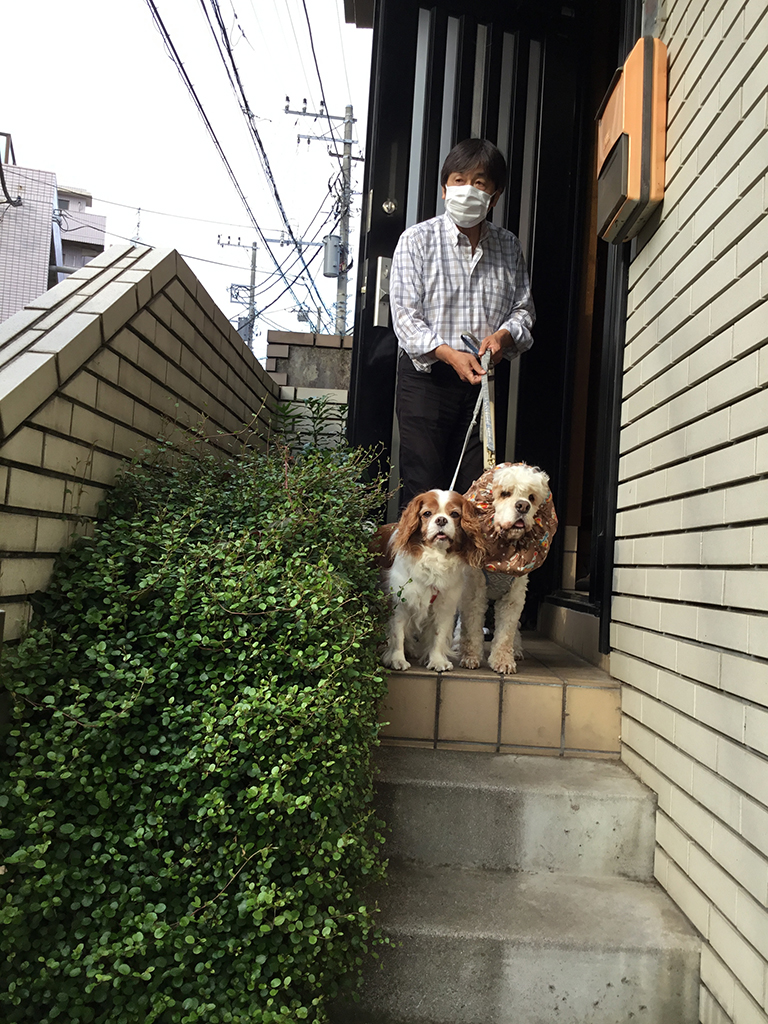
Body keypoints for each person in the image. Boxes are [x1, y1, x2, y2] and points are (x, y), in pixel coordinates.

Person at [389, 138, 535, 508]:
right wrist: (448, 353)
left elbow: (523, 311)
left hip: (481, 385)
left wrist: (503, 337)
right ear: (443, 189)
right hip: (426, 381)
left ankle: (466, 568)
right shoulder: (416, 240)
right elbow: (405, 318)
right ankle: (415, 568)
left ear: (495, 196)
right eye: (458, 180)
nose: (467, 189)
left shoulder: (509, 247)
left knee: (475, 494)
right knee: (423, 492)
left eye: (480, 182)